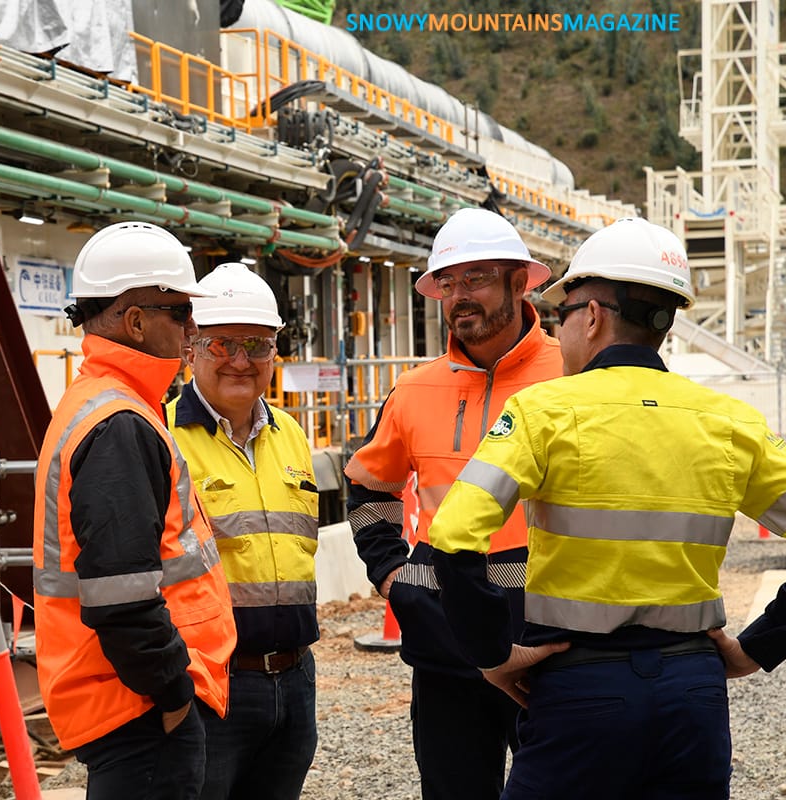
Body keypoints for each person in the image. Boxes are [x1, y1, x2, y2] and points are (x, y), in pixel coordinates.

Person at [426, 217, 786, 799]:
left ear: (591, 315)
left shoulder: (544, 412)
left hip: (578, 690)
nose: (560, 330)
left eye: (563, 315)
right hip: (693, 694)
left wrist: (492, 655)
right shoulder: (729, 421)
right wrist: (758, 646)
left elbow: (453, 539)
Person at [343, 207, 562, 800]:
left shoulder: (573, 375)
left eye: (478, 279)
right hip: (447, 649)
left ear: (521, 283)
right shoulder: (414, 391)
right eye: (448, 283)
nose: (459, 296)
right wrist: (393, 576)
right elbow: (369, 484)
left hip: (553, 643)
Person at [32, 221, 237, 799]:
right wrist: (173, 695)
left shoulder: (105, 405)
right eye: (179, 313)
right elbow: (120, 595)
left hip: (130, 701)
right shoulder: (119, 423)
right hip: (140, 709)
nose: (192, 329)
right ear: (136, 320)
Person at [166, 263, 320, 800]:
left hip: (296, 680)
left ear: (275, 350)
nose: (239, 360)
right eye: (221, 344)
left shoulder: (292, 436)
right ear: (191, 348)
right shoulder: (161, 437)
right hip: (210, 686)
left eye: (256, 344)